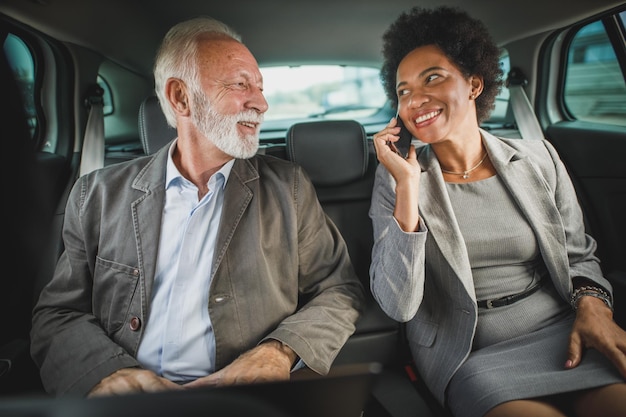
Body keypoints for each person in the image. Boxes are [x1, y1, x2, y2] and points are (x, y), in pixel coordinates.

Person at [30, 16, 365, 397]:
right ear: (180, 97)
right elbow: (56, 314)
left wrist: (278, 351)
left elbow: (339, 290)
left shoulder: (289, 187)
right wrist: (103, 373)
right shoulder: (97, 194)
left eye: (259, 87)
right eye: (241, 84)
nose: (261, 103)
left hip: (244, 402)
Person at [369, 6, 626, 417]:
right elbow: (398, 305)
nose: (415, 99)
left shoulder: (539, 158)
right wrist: (407, 185)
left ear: (474, 84)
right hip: (468, 351)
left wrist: (594, 307)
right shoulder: (395, 180)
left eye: (432, 77)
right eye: (402, 91)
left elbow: (578, 255)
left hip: (561, 327)